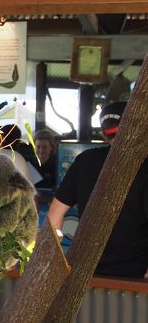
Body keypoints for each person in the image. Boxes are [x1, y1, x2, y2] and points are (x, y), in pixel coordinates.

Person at [47, 101, 148, 279]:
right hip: (135, 274)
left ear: (103, 134)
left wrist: (54, 261)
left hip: (82, 270)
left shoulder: (84, 161)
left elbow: (54, 216)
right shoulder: (144, 166)